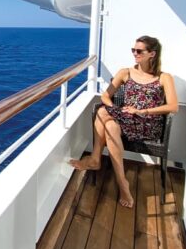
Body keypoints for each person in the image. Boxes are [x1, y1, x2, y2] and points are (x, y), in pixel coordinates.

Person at [69, 35, 179, 208]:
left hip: (148, 124)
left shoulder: (164, 77)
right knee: (109, 121)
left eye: (139, 51)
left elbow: (173, 107)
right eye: (133, 50)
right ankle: (122, 182)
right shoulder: (125, 72)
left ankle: (95, 159)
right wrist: (117, 110)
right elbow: (105, 96)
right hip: (126, 118)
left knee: (105, 115)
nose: (135, 53)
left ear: (152, 54)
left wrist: (142, 111)